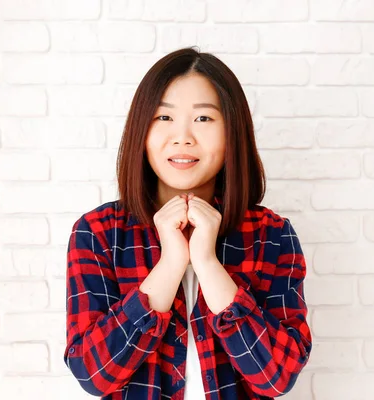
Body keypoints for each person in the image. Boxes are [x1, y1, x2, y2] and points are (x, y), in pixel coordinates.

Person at [64, 47, 312, 400]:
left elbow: (276, 378)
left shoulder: (271, 235)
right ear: (141, 131)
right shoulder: (99, 233)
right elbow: (94, 374)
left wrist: (209, 264)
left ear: (232, 132)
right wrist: (170, 264)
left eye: (204, 119)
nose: (182, 137)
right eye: (163, 118)